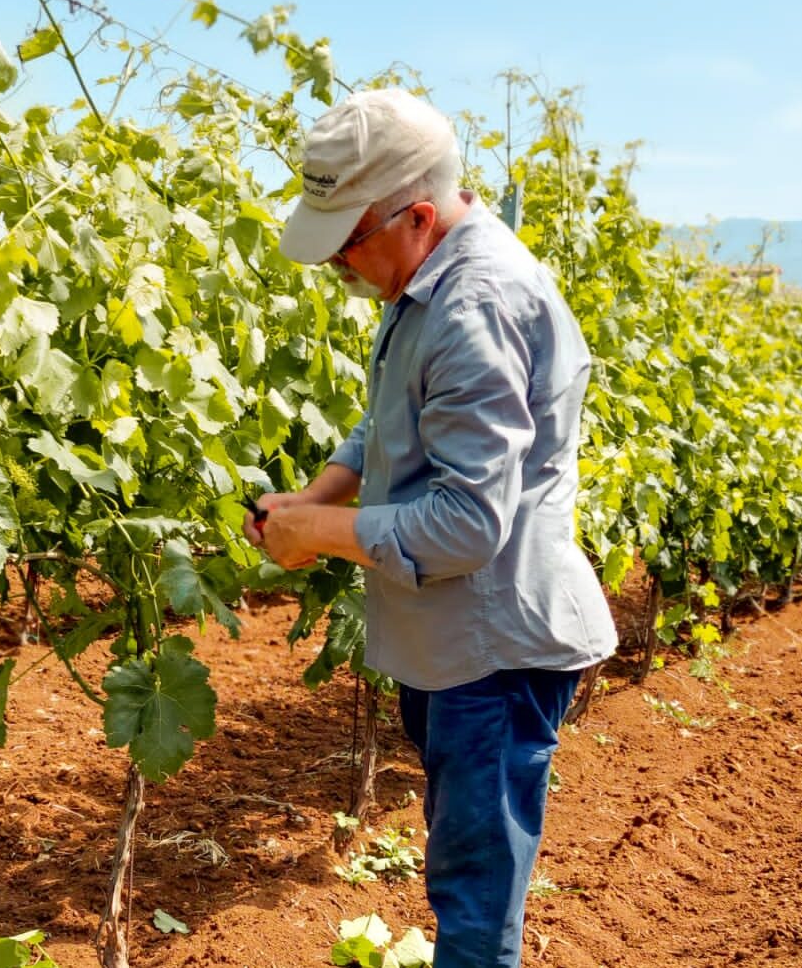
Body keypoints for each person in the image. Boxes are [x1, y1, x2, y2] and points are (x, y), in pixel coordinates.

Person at [244, 89, 618, 968]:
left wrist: (314, 535)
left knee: (473, 899)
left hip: (490, 649)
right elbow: (390, 423)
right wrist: (316, 496)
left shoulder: (471, 304)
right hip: (451, 643)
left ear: (416, 215)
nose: (336, 261)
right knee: (462, 874)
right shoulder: (427, 275)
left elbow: (463, 525)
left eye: (347, 241)